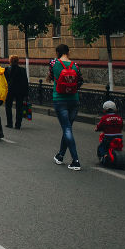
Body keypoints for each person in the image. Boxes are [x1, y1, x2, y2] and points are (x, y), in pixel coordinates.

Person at [49, 43, 83, 171]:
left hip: (60, 99)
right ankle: (60, 155)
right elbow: (80, 81)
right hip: (74, 100)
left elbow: (52, 77)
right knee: (67, 127)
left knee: (67, 129)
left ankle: (76, 161)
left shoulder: (53, 63)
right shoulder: (75, 65)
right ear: (68, 52)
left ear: (57, 52)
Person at [4, 55, 28, 129]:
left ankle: (9, 123)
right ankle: (18, 124)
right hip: (20, 91)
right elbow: (25, 82)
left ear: (10, 61)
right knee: (19, 108)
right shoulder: (22, 70)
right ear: (18, 61)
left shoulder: (7, 69)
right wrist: (26, 93)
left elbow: (5, 81)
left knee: (8, 107)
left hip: (10, 90)